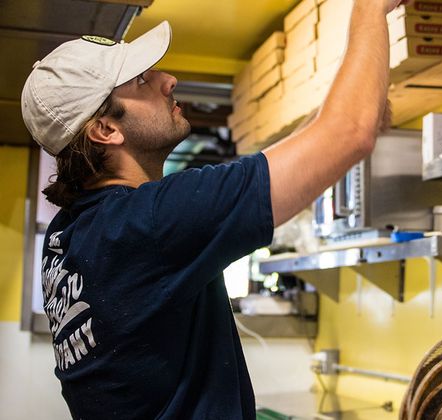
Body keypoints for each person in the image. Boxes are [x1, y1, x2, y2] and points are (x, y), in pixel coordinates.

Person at [20, 1, 404, 418]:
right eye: (142, 80)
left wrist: (331, 121)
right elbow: (350, 133)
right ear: (106, 129)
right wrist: (369, 8)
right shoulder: (146, 224)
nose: (168, 80)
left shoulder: (70, 234)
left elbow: (322, 144)